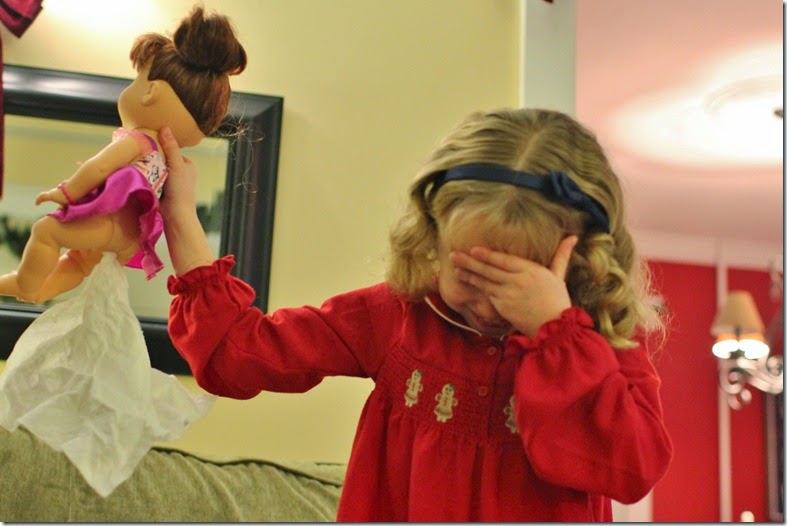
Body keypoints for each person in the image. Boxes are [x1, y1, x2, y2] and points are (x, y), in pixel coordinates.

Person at [160, 107, 673, 522]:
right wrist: (180, 214)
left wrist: (555, 335)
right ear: (432, 236)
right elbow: (237, 353)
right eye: (470, 277)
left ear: (578, 264)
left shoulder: (602, 344)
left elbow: (632, 470)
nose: (487, 306)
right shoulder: (397, 316)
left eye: (516, 287)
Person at [0, 5, 246, 304]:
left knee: (46, 229)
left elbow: (99, 168)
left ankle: (26, 285)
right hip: (129, 233)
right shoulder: (164, 158)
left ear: (150, 92)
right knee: (79, 261)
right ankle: (41, 291)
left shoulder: (138, 141)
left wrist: (65, 192)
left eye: (136, 80)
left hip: (114, 224)